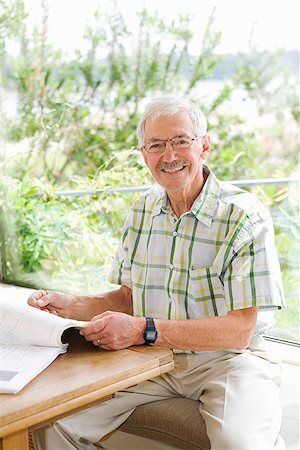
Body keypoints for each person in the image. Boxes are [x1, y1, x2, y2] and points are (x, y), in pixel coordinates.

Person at [28, 95, 286, 450]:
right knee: (50, 419)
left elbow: (239, 330)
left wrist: (143, 330)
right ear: (144, 155)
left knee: (238, 442)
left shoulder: (243, 216)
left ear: (204, 147)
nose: (170, 155)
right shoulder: (143, 209)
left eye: (181, 141)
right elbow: (127, 299)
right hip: (154, 360)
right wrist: (69, 305)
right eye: (157, 145)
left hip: (229, 361)